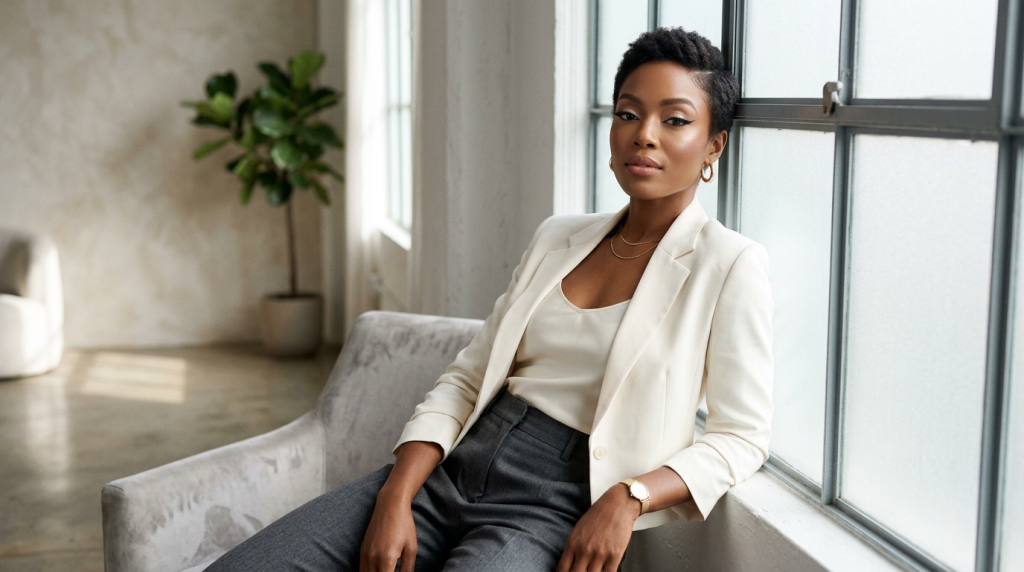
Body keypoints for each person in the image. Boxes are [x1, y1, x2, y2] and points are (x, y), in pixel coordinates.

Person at [208, 26, 773, 572]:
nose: (644, 134)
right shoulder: (558, 236)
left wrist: (630, 496)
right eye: (628, 113)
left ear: (713, 144)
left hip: (551, 507)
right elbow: (468, 377)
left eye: (674, 120)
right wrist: (395, 496)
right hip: (454, 465)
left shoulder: (728, 265)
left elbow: (741, 436)